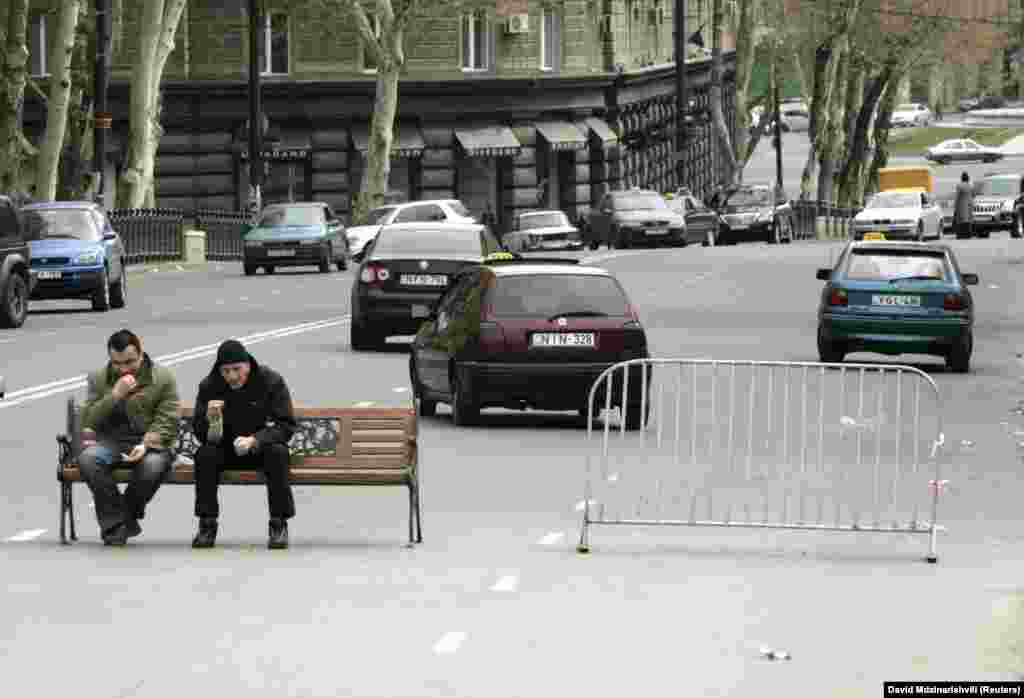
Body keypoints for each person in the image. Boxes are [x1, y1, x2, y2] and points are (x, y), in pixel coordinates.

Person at [191, 339, 297, 549]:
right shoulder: (210, 385)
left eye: (237, 369)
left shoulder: (270, 381)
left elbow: (285, 426)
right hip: (225, 448)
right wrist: (210, 421)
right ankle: (207, 523)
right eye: (226, 371)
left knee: (278, 453)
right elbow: (201, 433)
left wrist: (256, 440)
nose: (231, 376)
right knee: (205, 455)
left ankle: (278, 523)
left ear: (247, 364)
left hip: (260, 448)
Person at [79, 329, 180, 545]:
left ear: (141, 354)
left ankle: (119, 520)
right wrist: (114, 395)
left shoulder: (162, 377)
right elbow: (88, 420)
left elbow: (168, 419)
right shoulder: (99, 379)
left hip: (152, 443)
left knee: (152, 466)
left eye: (129, 362)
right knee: (89, 459)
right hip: (113, 442)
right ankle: (120, 523)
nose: (123, 369)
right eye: (117, 363)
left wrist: (146, 444)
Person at [954, 171, 974, 239]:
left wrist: (955, 205)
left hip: (961, 205)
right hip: (969, 205)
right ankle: (968, 234)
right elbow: (973, 195)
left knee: (960, 221)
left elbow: (957, 196)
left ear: (961, 178)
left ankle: (960, 235)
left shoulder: (959, 186)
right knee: (968, 221)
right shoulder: (971, 185)